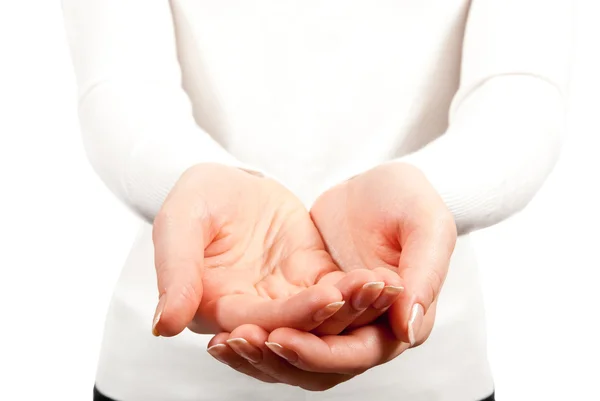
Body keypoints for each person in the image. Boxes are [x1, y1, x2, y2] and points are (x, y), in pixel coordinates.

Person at [62, 0, 573, 400]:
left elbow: (520, 91)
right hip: (169, 372)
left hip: (427, 367)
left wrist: (430, 192)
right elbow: (120, 86)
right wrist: (192, 182)